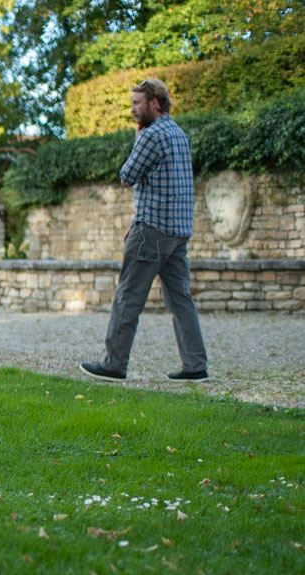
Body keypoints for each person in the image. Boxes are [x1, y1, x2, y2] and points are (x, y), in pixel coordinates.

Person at [80, 78, 208, 383]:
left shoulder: (151, 136)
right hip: (177, 232)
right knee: (180, 300)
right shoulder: (179, 134)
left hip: (152, 231)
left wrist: (138, 136)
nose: (133, 109)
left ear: (156, 103)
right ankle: (196, 366)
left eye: (138, 103)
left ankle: (113, 365)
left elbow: (127, 176)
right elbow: (163, 185)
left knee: (128, 297)